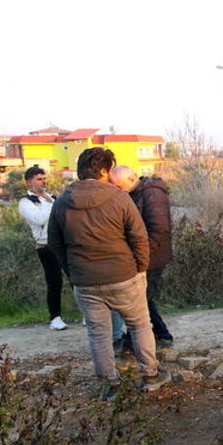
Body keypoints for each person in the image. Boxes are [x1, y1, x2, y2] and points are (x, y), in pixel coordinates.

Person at [48, 147, 170, 398]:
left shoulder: (61, 202)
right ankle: (150, 375)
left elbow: (55, 244)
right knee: (139, 325)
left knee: (98, 334)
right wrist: (140, 268)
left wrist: (73, 273)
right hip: (124, 276)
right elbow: (139, 237)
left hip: (85, 281)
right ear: (103, 171)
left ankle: (109, 385)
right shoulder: (119, 198)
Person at [109, 166, 175, 351]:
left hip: (153, 256)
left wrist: (140, 255)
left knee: (140, 300)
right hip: (147, 255)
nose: (117, 190)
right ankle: (161, 334)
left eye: (118, 186)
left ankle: (135, 341)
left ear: (130, 180)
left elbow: (159, 230)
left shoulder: (152, 194)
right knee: (144, 297)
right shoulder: (137, 193)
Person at [17, 166, 66, 330]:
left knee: (76, 279)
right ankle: (55, 318)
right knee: (54, 282)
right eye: (39, 179)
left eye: (44, 178)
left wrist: (51, 200)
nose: (43, 181)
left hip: (64, 243)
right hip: (45, 246)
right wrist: (50, 202)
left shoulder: (53, 198)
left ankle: (85, 315)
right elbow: (38, 219)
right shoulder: (25, 202)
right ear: (29, 182)